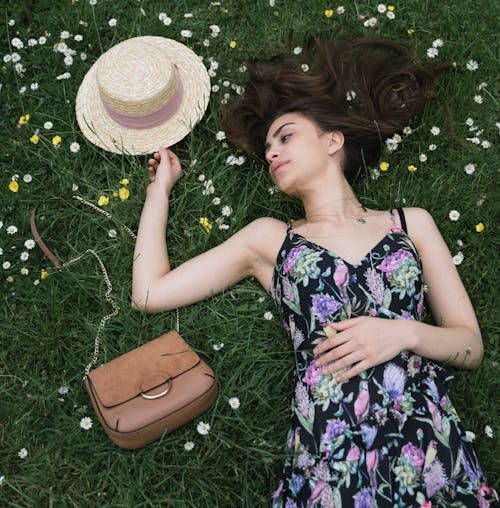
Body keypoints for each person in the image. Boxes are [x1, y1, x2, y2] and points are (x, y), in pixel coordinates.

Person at [131, 36, 497, 507]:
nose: (271, 153)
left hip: (430, 450)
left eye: (285, 136)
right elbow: (149, 292)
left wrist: (404, 334)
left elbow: (470, 345)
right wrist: (159, 191)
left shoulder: (413, 225)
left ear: (332, 140)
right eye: (267, 148)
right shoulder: (269, 240)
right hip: (330, 451)